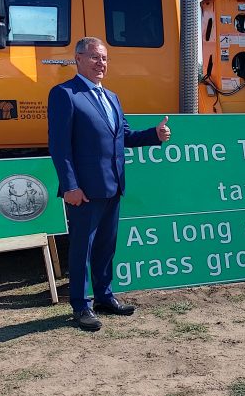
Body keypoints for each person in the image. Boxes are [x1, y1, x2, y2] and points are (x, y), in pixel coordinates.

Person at [48, 37, 171, 330]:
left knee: (105, 247)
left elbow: (124, 136)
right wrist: (70, 186)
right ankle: (81, 305)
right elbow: (59, 146)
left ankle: (104, 296)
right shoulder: (64, 94)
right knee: (82, 249)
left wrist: (154, 135)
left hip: (113, 187)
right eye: (94, 57)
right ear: (78, 59)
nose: (101, 63)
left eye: (104, 58)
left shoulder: (112, 97)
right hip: (84, 192)